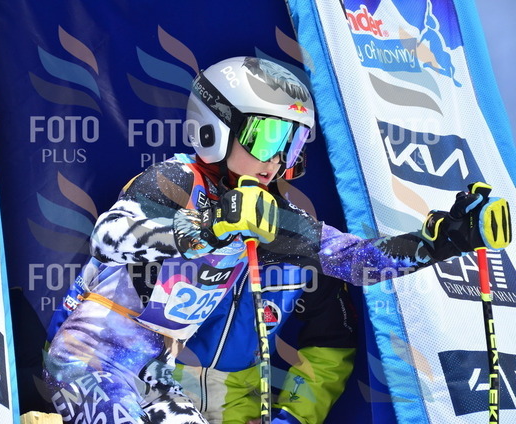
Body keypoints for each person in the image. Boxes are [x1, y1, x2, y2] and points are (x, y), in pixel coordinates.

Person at [43, 56, 511, 423]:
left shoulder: (269, 214)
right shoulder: (179, 180)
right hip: (88, 359)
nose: (276, 160)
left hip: (153, 374)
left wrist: (444, 241)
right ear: (215, 126)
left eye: (291, 143)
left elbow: (356, 261)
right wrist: (205, 228)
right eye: (266, 137)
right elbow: (110, 236)